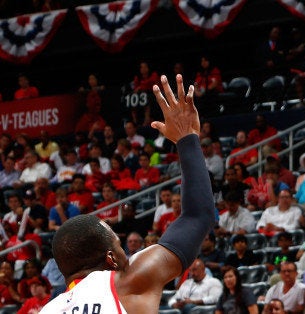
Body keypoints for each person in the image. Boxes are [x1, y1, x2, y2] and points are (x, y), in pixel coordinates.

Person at [40, 74, 215, 313]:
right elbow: (198, 216)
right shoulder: (127, 281)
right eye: (120, 245)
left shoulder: (47, 310)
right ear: (111, 259)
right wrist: (187, 138)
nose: (128, 253)